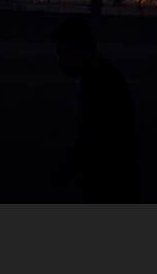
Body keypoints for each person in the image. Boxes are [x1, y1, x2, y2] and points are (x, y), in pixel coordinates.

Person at [53, 16, 139, 202]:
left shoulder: (100, 83)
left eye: (63, 53)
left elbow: (94, 140)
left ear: (78, 49)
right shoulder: (101, 77)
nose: (60, 60)